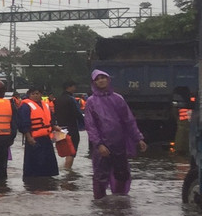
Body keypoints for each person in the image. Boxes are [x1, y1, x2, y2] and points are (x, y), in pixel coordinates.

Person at [84, 68, 147, 199]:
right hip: (102, 145)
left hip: (119, 143)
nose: (101, 81)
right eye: (97, 79)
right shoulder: (91, 101)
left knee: (122, 174)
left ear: (108, 80)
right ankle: (100, 204)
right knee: (101, 176)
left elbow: (129, 120)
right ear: (94, 83)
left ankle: (120, 203)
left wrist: (138, 138)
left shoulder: (118, 99)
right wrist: (99, 144)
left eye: (103, 77)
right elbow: (91, 126)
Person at [15, 86, 60, 179]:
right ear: (29, 95)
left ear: (41, 95)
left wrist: (55, 127)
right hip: (33, 138)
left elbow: (50, 119)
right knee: (34, 163)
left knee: (48, 162)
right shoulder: (25, 106)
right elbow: (23, 123)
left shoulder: (45, 105)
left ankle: (47, 181)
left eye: (37, 93)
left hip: (46, 138)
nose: (35, 95)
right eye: (33, 94)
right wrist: (29, 137)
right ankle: (33, 183)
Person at [54, 79, 85, 173]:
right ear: (69, 87)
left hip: (59, 129)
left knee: (64, 151)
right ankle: (68, 172)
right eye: (74, 86)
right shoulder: (71, 99)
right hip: (71, 128)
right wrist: (85, 123)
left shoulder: (57, 99)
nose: (75, 88)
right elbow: (77, 114)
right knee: (71, 151)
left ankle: (64, 170)